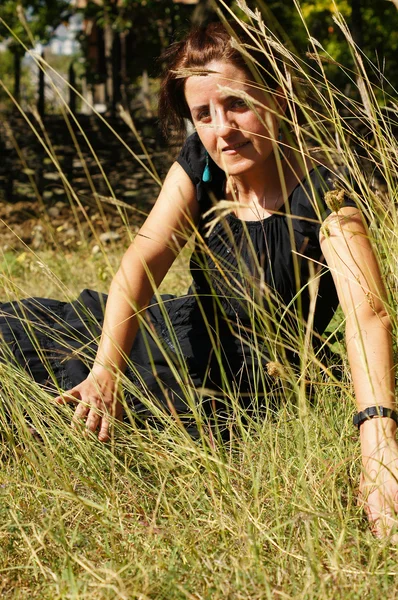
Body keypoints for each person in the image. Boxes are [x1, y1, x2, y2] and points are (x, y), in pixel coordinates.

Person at [0, 22, 397, 537]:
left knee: (78, 394)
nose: (221, 130)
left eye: (236, 104)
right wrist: (105, 371)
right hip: (188, 329)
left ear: (276, 96)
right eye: (202, 115)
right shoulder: (202, 169)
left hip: (257, 377)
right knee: (23, 331)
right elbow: (143, 261)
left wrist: (380, 445)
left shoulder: (324, 194)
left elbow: (369, 315)